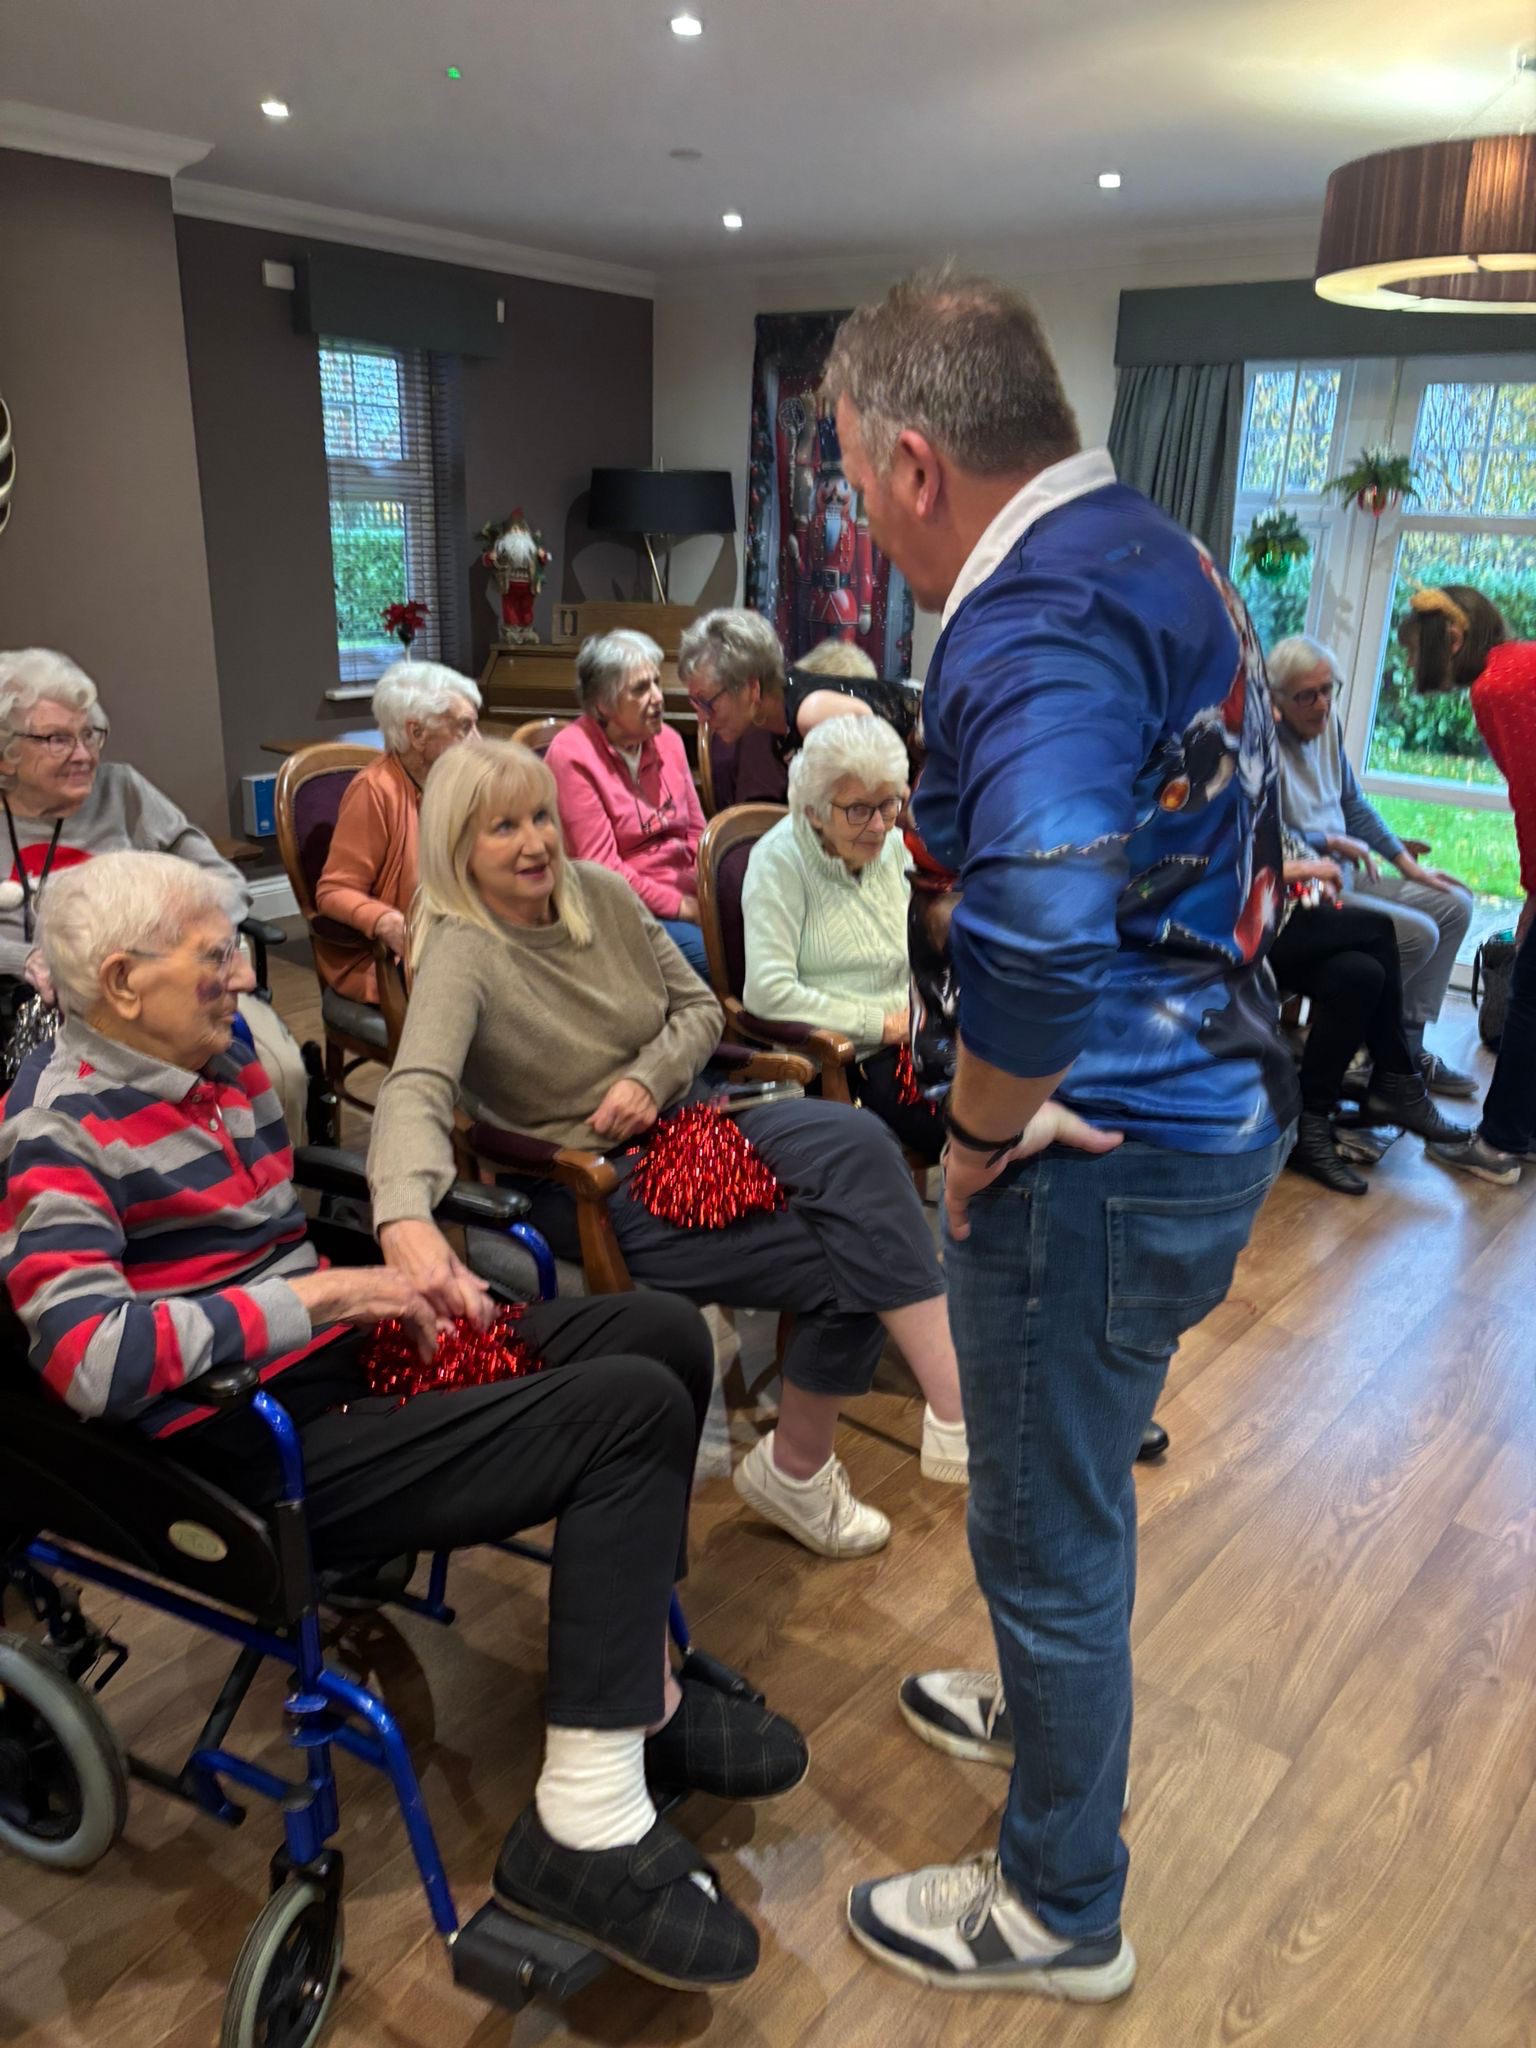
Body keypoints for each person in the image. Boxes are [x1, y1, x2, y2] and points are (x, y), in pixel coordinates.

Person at [0, 850, 807, 1991]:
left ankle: (644, 1696)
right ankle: (580, 1826)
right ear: (122, 983)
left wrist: (402, 1259)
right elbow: (91, 1360)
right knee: (625, 1412)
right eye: (216, 956)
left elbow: (284, 1238)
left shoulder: (217, 1060)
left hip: (339, 1369)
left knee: (663, 1333)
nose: (246, 975)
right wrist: (332, 1295)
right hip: (245, 1444)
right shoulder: (56, 1133)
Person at [821, 273, 1302, 2002]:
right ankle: (1039, 1709)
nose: (861, 519)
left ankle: (1057, 1905)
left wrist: (971, 1137)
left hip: (1098, 1144)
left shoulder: (1028, 614)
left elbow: (1033, 930)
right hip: (1209, 1098)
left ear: (918, 462)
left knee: (1044, 1527)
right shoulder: (1149, 545)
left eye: (856, 480)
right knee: (1068, 1480)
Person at [365, 739, 1003, 1556]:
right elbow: (414, 1088)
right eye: (503, 828)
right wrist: (402, 1216)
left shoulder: (597, 892)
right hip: (594, 1180)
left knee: (858, 1140)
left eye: (541, 817)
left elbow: (700, 1009)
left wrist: (649, 1075)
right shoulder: (463, 949)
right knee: (853, 1257)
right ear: (458, 846)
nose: (535, 842)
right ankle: (807, 1467)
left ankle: (947, 1410)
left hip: (693, 1117)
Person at [0, 647, 306, 1138]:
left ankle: (270, 1181)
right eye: (57, 739)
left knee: (280, 1072)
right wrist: (28, 959)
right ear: (6, 752)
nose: (84, 755)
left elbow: (221, 879)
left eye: (89, 734)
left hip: (162, 985)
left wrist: (200, 947)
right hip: (22, 1001)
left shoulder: (122, 791)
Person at [1268, 634, 1475, 1095]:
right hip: (1306, 889)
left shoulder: (1326, 725)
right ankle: (1359, 1050)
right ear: (1275, 699)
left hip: (1347, 871)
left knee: (1454, 903)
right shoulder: (1259, 746)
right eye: (1307, 696)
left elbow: (1353, 803)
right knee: (1418, 934)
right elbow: (1260, 838)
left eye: (1329, 690)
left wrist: (1408, 866)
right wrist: (1327, 840)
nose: (1323, 705)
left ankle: (1408, 1047)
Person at [742, 714, 942, 1160]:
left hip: (917, 1038)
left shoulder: (894, 847)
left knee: (1014, 1088)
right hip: (848, 1060)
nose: (880, 826)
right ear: (814, 810)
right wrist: (881, 1024)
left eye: (888, 804)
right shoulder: (778, 862)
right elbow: (767, 992)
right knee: (975, 1128)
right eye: (858, 810)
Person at [1400, 585, 1536, 1184]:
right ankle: (1522, 1131)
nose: (1413, 663)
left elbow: (1532, 797)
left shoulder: (1498, 686)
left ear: (1452, 638)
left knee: (1530, 1000)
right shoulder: (1523, 661)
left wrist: (1533, 892)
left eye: (1415, 650)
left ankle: (1499, 1146)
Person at [1269, 835, 1469, 1196]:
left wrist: (1314, 877)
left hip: (1280, 912)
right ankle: (1398, 1081)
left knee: (1361, 975)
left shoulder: (1251, 796)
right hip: (1230, 927)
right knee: (1377, 929)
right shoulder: (1195, 800)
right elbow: (1217, 866)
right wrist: (1307, 868)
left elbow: (1285, 838)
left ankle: (1311, 1126)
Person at [313, 661, 481, 1004]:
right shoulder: (375, 791)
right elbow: (333, 891)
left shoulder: (456, 783)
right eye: (464, 728)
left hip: (458, 943)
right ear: (416, 734)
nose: (478, 741)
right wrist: (385, 921)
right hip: (388, 961)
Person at [545, 631, 709, 980]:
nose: (658, 698)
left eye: (656, 683)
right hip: (625, 909)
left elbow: (697, 831)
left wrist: (707, 886)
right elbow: (604, 870)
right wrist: (681, 907)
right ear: (602, 704)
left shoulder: (669, 740)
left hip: (690, 893)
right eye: (640, 689)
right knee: (715, 961)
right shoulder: (572, 756)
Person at [681, 609, 921, 807]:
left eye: (706, 702)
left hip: (931, 756)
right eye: (695, 703)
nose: (701, 717)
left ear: (751, 688)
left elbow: (888, 777)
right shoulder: (776, 716)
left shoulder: (811, 714)